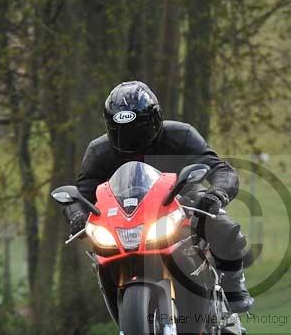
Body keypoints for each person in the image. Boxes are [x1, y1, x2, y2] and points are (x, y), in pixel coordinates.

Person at [67, 80, 254, 313]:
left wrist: (216, 194)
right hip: (124, 210)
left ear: (155, 120)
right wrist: (76, 214)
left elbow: (221, 170)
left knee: (221, 224)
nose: (131, 140)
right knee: (100, 248)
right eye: (122, 133)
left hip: (181, 195)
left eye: (137, 131)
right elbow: (80, 192)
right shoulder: (99, 150)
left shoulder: (182, 135)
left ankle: (233, 282)